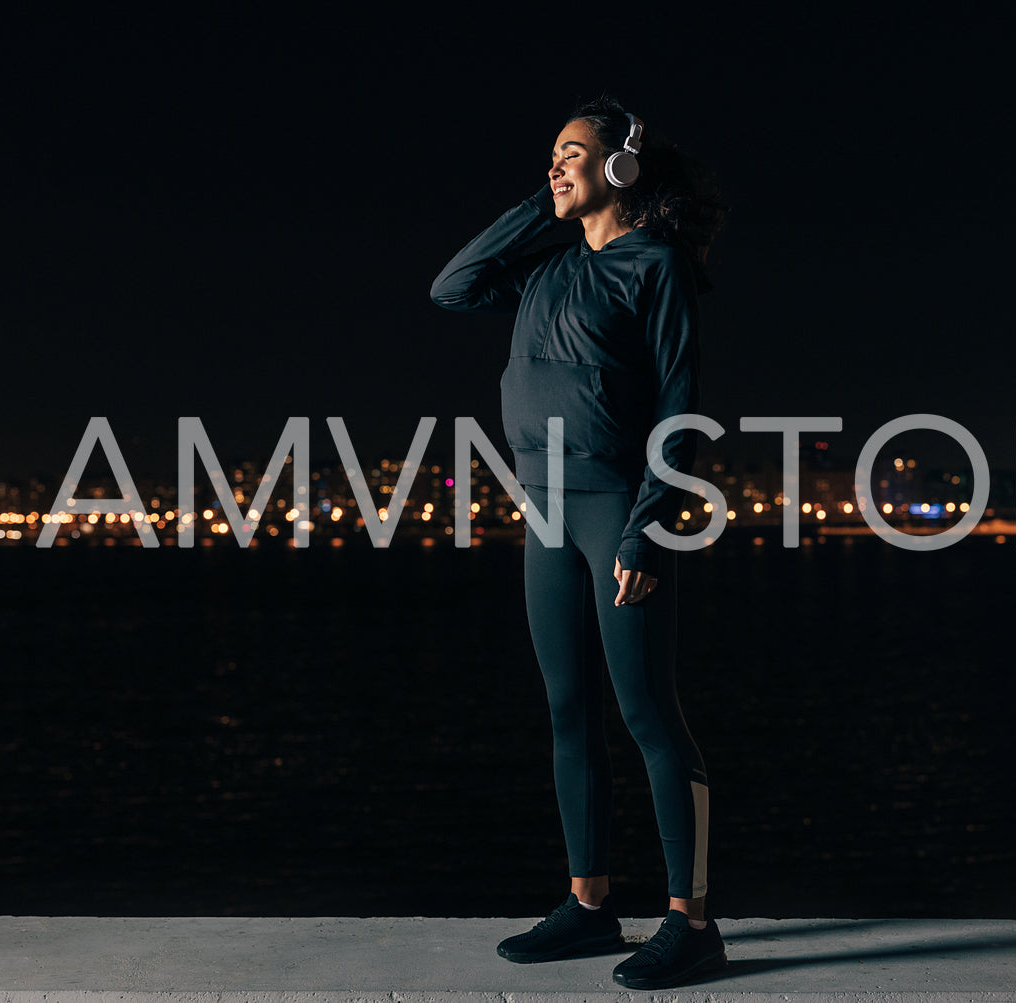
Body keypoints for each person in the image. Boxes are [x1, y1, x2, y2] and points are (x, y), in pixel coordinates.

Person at [430, 96, 727, 990]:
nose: (554, 168)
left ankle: (693, 920)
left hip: (616, 515)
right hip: (544, 510)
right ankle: (591, 907)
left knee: (647, 714)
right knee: (569, 712)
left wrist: (646, 526)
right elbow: (451, 286)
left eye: (571, 155)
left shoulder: (657, 267)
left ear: (623, 169)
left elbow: (681, 404)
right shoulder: (546, 270)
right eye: (550, 158)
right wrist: (541, 199)